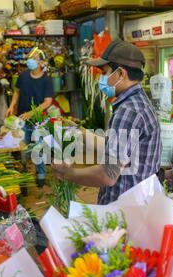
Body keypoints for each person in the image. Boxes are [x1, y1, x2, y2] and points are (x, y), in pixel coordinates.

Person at [52, 39, 162, 205]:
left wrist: (68, 173)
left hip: (122, 210)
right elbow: (119, 149)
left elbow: (108, 174)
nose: (101, 78)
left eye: (105, 72)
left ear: (121, 74)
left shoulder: (128, 111)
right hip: (138, 205)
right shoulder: (139, 102)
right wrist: (81, 132)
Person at [5, 47, 54, 187]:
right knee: (21, 147)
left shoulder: (46, 80)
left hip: (39, 120)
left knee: (38, 148)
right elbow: (17, 92)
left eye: (34, 58)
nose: (30, 60)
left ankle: (41, 176)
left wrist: (31, 113)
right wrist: (12, 105)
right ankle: (23, 175)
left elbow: (47, 102)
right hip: (21, 118)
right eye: (30, 58)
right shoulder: (23, 76)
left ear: (41, 63)